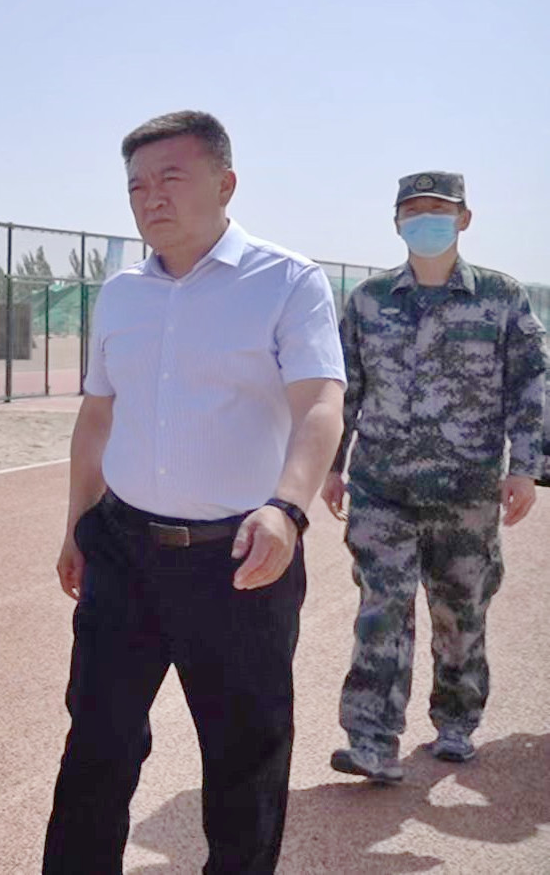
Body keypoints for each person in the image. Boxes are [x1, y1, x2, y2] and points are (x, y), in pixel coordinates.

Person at [45, 111, 347, 874]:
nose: (150, 197)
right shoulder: (120, 293)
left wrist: (286, 509)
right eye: (136, 185)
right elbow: (96, 416)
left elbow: (319, 405)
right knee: (96, 745)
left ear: (225, 183)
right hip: (122, 551)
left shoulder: (286, 281)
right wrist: (76, 524)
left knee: (243, 759)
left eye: (170, 178)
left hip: (239, 559)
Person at [322, 171, 545, 782]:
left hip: (467, 491)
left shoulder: (501, 297)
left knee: (460, 613)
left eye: (439, 210)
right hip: (382, 487)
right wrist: (332, 466)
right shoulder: (368, 300)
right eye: (414, 211)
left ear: (464, 219)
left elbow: (530, 384)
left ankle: (456, 723)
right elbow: (344, 389)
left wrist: (526, 468)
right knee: (381, 609)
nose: (426, 220)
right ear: (397, 223)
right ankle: (371, 740)